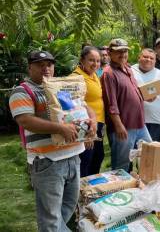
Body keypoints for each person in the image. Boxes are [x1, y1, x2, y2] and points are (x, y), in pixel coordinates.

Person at [9, 50, 96, 231]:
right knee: (50, 215)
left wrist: (92, 122)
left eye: (49, 64)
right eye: (40, 65)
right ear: (29, 67)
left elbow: (86, 107)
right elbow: (25, 120)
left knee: (69, 206)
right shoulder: (22, 90)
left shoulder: (62, 86)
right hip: (48, 162)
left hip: (74, 156)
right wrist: (60, 128)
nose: (45, 68)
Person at [101, 38, 151, 171]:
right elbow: (111, 103)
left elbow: (132, 91)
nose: (122, 54)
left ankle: (141, 186)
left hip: (139, 124)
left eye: (125, 51)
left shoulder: (127, 69)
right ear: (109, 53)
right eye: (118, 52)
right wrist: (118, 125)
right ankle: (121, 190)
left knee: (150, 155)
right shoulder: (109, 73)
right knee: (121, 166)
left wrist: (145, 97)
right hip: (123, 127)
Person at [71, 46, 105, 177]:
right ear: (82, 60)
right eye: (91, 60)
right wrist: (85, 133)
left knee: (98, 157)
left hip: (98, 124)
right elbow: (74, 106)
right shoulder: (76, 77)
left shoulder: (94, 74)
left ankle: (91, 190)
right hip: (86, 126)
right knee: (85, 160)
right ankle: (82, 191)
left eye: (97, 61)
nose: (95, 64)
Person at [131, 49, 160, 142]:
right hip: (133, 120)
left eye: (151, 58)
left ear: (155, 61)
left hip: (154, 121)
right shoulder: (130, 71)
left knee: (150, 152)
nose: (148, 60)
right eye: (145, 57)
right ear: (139, 58)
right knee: (133, 153)